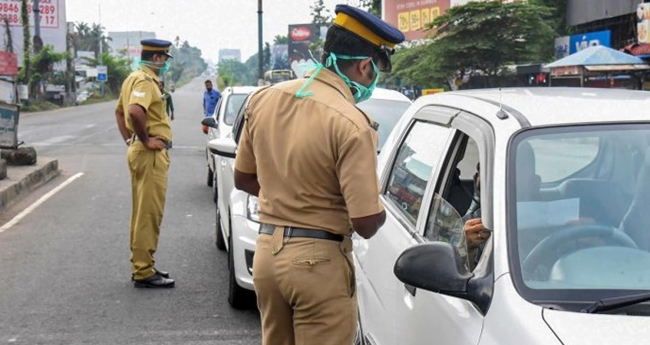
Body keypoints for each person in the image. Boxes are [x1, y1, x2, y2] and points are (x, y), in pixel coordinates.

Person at [233, 4, 403, 345]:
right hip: (318, 265)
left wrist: (289, 198)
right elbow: (366, 222)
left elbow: (243, 179)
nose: (371, 81)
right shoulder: (353, 123)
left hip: (267, 255)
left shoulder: (264, 100)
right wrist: (385, 205)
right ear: (365, 66)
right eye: (374, 71)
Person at [114, 39, 175, 289]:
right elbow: (134, 112)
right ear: (158, 58)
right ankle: (143, 271)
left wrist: (131, 140)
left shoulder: (132, 78)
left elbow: (119, 112)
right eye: (165, 58)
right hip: (149, 154)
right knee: (148, 213)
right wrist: (144, 140)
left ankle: (142, 263)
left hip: (141, 150)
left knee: (142, 212)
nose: (165, 63)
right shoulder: (144, 81)